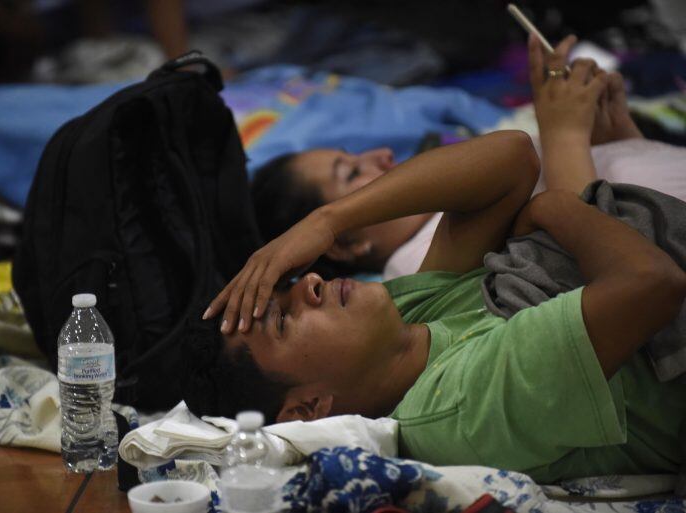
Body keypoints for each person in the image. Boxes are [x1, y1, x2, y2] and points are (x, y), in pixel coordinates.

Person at [184, 34, 686, 483]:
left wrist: (325, 220)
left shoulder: (405, 324)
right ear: (310, 408)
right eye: (284, 318)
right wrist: (557, 208)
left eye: (288, 284)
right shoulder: (458, 408)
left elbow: (513, 157)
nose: (309, 283)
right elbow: (652, 282)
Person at [251, 35, 686, 280]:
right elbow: (580, 261)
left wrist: (616, 134)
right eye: (350, 172)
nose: (380, 154)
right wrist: (564, 133)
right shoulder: (420, 268)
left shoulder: (458, 194)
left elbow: (633, 199)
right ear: (347, 244)